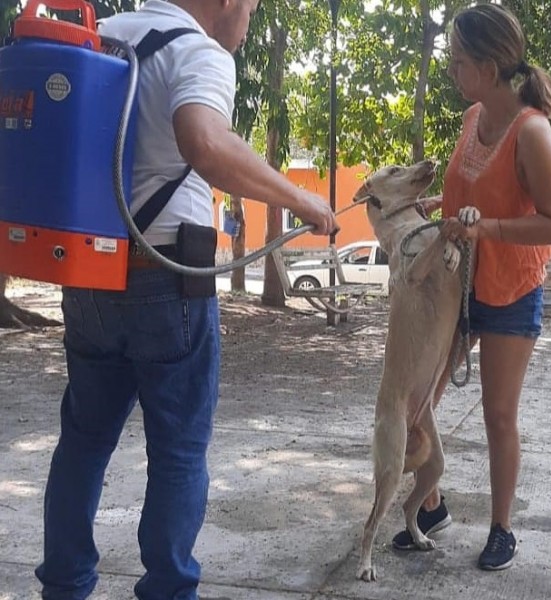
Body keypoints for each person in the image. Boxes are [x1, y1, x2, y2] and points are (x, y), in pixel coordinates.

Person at [34, 1, 338, 598]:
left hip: (90, 274)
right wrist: (302, 201)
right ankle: (169, 589)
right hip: (165, 279)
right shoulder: (199, 50)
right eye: (249, 7)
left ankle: (64, 586)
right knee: (178, 450)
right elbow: (204, 141)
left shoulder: (105, 36)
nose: (247, 23)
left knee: (84, 440)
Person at [392, 3, 551, 571]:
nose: (452, 70)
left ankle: (501, 528)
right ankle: (432, 503)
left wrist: (484, 227)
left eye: (460, 61)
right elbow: (461, 199)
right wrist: (431, 213)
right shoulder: (474, 119)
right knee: (418, 403)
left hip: (512, 289)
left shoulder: (532, 131)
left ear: (490, 68)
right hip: (455, 287)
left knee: (498, 414)